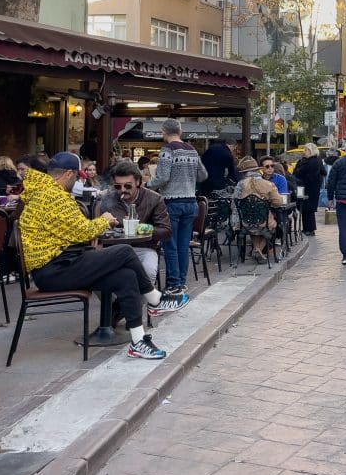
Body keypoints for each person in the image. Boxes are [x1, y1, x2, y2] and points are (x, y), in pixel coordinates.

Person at [19, 152, 187, 359]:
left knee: (126, 277)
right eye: (78, 177)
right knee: (124, 251)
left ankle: (138, 341)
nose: (79, 181)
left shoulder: (45, 192)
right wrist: (104, 220)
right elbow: (83, 231)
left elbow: (72, 231)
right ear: (69, 174)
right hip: (54, 269)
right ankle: (155, 299)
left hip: (61, 264)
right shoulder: (52, 196)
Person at [148, 119, 207, 296]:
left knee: (170, 245)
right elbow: (203, 175)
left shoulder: (167, 151)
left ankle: (174, 283)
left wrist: (146, 185)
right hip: (191, 202)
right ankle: (181, 281)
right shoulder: (192, 150)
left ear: (163, 132)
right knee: (183, 245)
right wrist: (188, 178)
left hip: (172, 202)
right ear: (180, 132)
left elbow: (163, 177)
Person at [98, 160, 172, 285]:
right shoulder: (108, 199)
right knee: (95, 276)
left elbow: (166, 231)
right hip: (115, 249)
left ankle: (134, 304)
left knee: (148, 270)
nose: (122, 190)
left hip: (144, 248)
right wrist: (106, 225)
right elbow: (99, 234)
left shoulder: (154, 199)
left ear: (138, 182)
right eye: (117, 186)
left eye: (127, 186)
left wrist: (143, 228)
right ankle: (119, 303)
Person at [232, 157, 284, 260]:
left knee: (252, 225)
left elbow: (234, 203)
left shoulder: (240, 185)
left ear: (244, 173)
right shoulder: (268, 184)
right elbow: (278, 202)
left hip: (245, 222)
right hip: (263, 221)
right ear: (257, 170)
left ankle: (256, 249)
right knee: (272, 225)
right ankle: (258, 249)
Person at [292, 143, 324, 236]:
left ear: (311, 151)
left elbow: (311, 176)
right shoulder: (305, 160)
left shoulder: (313, 161)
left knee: (308, 209)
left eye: (306, 150)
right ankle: (307, 228)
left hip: (309, 189)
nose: (304, 151)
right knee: (304, 208)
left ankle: (309, 229)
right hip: (303, 187)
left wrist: (300, 179)